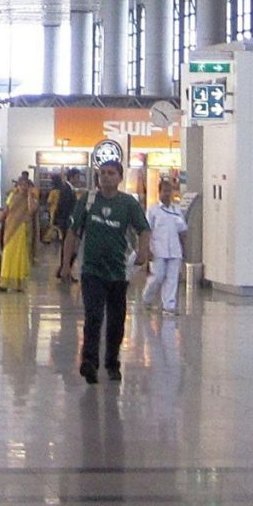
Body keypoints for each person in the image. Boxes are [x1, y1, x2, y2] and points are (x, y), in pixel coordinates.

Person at [70, 159, 147, 382]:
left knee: (116, 320)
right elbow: (73, 232)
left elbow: (143, 229)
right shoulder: (87, 200)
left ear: (120, 178)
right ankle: (89, 361)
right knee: (93, 315)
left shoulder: (128, 204)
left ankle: (112, 362)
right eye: (102, 173)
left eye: (111, 173)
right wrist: (66, 263)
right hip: (91, 269)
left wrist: (143, 252)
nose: (105, 177)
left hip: (118, 271)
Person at [143, 179, 189, 314]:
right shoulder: (153, 211)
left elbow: (183, 231)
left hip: (175, 251)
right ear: (159, 193)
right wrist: (147, 249)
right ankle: (147, 297)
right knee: (158, 276)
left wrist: (184, 249)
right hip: (158, 250)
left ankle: (169, 306)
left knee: (172, 278)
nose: (167, 194)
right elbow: (146, 230)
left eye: (170, 191)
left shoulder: (177, 210)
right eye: (165, 191)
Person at [0, 176, 37, 291]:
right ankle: (4, 282)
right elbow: (5, 211)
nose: (23, 187)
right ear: (17, 186)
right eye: (21, 185)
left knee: (20, 256)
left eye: (26, 185)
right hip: (10, 229)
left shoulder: (31, 199)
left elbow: (31, 210)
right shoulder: (12, 196)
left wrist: (29, 195)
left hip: (21, 230)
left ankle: (18, 283)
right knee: (7, 254)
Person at [53, 168, 87, 283]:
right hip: (66, 222)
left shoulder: (69, 189)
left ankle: (64, 270)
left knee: (68, 247)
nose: (78, 179)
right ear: (71, 177)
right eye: (77, 177)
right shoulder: (66, 189)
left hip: (67, 221)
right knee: (68, 247)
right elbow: (63, 207)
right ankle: (65, 271)